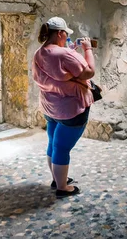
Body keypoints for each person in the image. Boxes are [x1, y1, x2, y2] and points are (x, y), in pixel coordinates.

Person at [32, 16, 95, 198]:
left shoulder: (40, 52)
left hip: (50, 107)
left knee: (54, 143)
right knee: (62, 148)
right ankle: (62, 188)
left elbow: (57, 64)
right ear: (60, 33)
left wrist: (70, 49)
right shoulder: (64, 54)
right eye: (65, 34)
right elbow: (89, 71)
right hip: (70, 108)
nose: (66, 37)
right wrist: (88, 49)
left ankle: (57, 179)